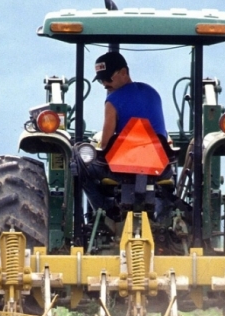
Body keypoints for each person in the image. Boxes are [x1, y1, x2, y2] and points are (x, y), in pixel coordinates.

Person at [72, 51, 170, 219]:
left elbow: (105, 144)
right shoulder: (153, 93)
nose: (104, 84)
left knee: (78, 162)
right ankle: (163, 214)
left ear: (123, 72)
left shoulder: (112, 101)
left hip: (123, 171)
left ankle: (106, 211)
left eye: (108, 78)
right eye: (101, 80)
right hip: (160, 169)